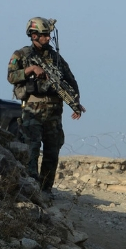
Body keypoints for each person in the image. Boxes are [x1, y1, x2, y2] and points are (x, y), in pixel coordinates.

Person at [6, 17, 82, 195]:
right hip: (33, 111)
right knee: (31, 150)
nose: (48, 38)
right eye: (44, 35)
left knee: (52, 151)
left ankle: (46, 190)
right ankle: (31, 189)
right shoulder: (21, 55)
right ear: (33, 35)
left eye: (49, 35)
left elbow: (70, 80)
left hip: (54, 112)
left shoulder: (55, 58)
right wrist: (31, 70)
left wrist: (75, 102)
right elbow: (11, 77)